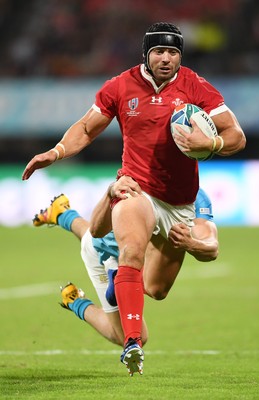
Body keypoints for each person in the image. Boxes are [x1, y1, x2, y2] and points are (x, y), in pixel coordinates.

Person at [22, 22, 246, 375]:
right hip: (136, 188)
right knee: (130, 251)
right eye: (159, 51)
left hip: (180, 203)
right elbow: (85, 128)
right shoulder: (120, 86)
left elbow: (236, 135)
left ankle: (70, 225)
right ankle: (130, 345)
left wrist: (212, 143)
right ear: (146, 54)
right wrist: (57, 151)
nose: (167, 58)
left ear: (180, 56)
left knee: (155, 290)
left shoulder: (196, 86)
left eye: (173, 52)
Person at [33, 178, 218, 375]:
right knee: (132, 335)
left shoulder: (196, 197)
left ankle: (63, 214)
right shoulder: (141, 188)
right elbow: (98, 232)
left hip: (123, 251)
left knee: (155, 285)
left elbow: (211, 246)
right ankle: (75, 301)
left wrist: (190, 243)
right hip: (103, 255)